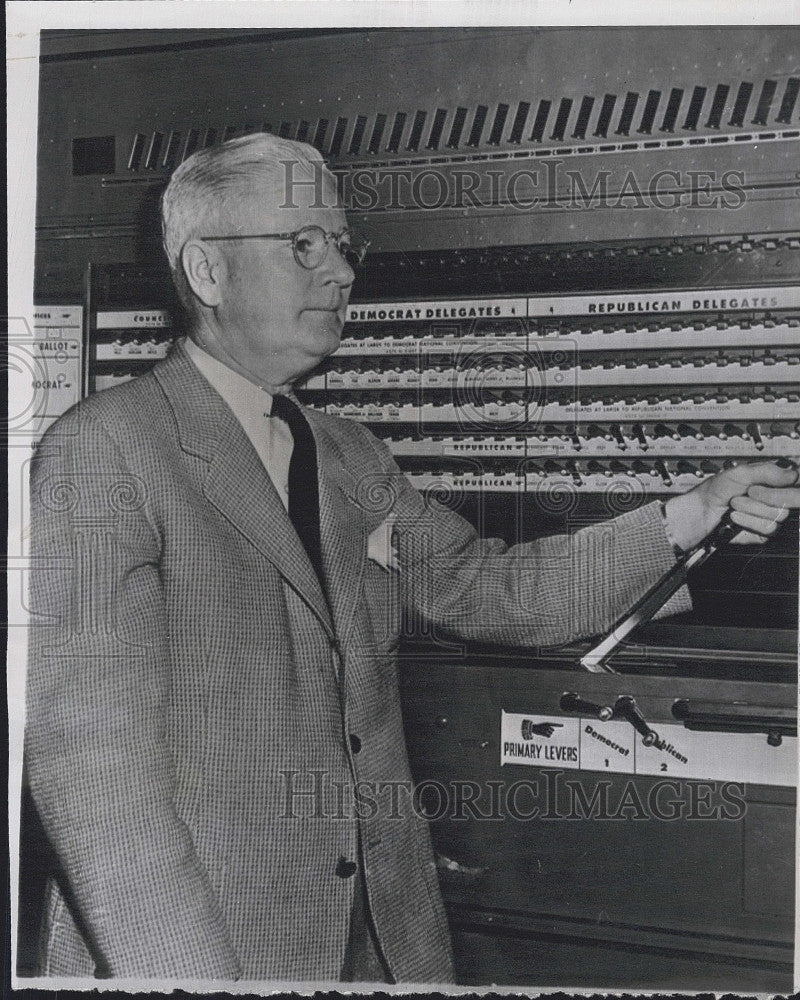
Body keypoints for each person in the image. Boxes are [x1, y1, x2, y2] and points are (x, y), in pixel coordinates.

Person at [25, 133, 800, 984]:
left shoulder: (350, 456)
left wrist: (690, 513)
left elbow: (496, 591)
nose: (342, 272)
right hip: (211, 951)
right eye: (303, 245)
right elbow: (94, 779)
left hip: (384, 945)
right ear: (207, 272)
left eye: (344, 246)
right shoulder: (106, 451)